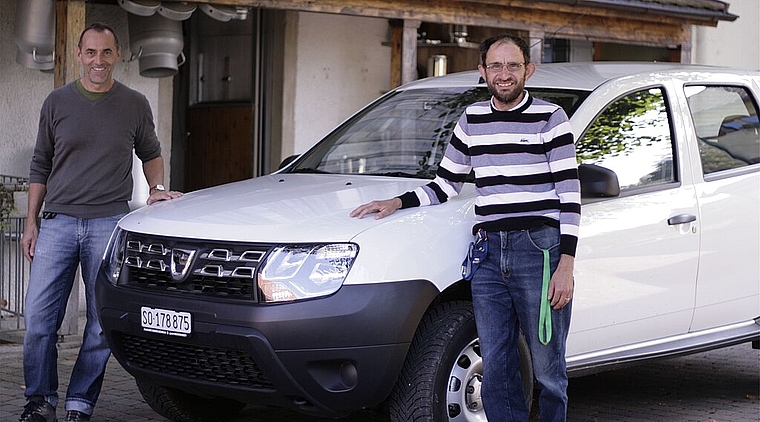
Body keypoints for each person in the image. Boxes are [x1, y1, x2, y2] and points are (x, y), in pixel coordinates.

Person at [351, 34, 580, 421]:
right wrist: (396, 202)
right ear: (482, 72)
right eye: (495, 66)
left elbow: (569, 194)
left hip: (538, 251)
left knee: (547, 369)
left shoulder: (551, 118)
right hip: (488, 254)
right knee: (496, 363)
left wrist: (566, 265)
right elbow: (445, 185)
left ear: (528, 69)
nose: (504, 74)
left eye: (512, 65)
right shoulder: (472, 120)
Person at [19, 23, 182, 422]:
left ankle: (79, 403)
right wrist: (31, 222)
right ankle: (40, 402)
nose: (98, 61)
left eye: (106, 53)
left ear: (117, 55)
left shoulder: (135, 103)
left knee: (100, 322)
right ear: (79, 55)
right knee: (39, 321)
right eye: (91, 52)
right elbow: (40, 164)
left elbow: (151, 152)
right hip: (57, 223)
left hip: (109, 224)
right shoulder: (56, 102)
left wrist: (157, 187)